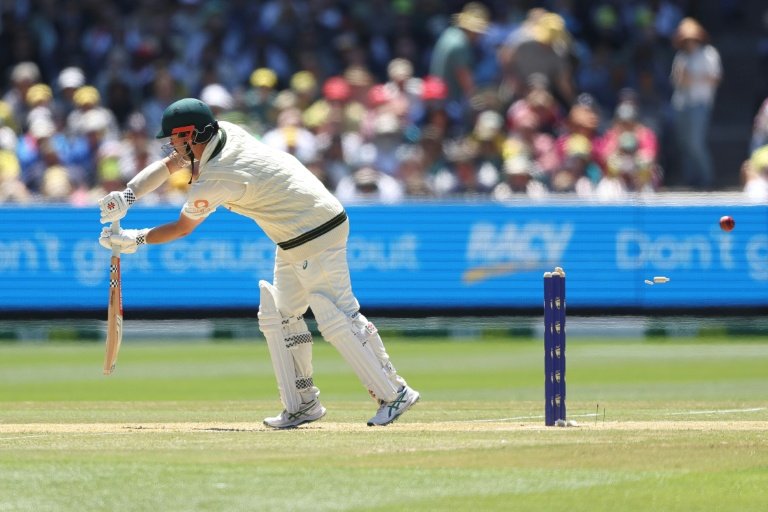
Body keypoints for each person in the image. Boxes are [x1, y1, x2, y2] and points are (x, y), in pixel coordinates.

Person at [96, 98, 419, 428]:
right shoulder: (226, 132)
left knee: (337, 316)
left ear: (191, 134)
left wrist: (134, 239)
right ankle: (303, 404)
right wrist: (128, 195)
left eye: (175, 138)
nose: (172, 146)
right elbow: (170, 165)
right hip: (295, 232)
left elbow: (181, 228)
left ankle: (394, 393)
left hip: (314, 229)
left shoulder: (218, 177)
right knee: (280, 315)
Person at [669, 17, 721, 190]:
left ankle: (707, 179)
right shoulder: (681, 56)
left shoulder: (709, 54)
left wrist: (693, 78)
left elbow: (715, 78)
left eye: (691, 39)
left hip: (700, 103)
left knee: (696, 143)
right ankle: (690, 179)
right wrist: (683, 78)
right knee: (684, 143)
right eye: (686, 39)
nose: (689, 42)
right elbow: (675, 81)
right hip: (681, 104)